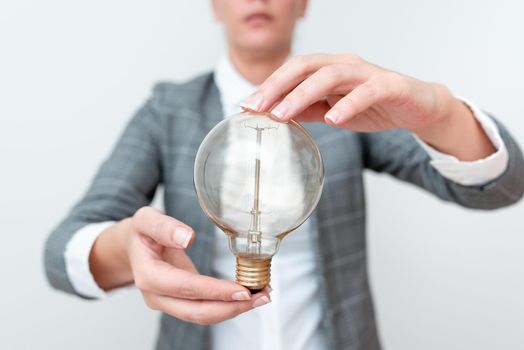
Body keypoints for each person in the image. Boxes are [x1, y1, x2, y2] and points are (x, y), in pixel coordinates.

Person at [44, 1, 524, 349]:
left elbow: (500, 187)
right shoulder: (168, 110)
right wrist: (125, 247)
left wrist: (439, 112)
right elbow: (60, 253)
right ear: (215, 6)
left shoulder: (345, 111)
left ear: (302, 4)